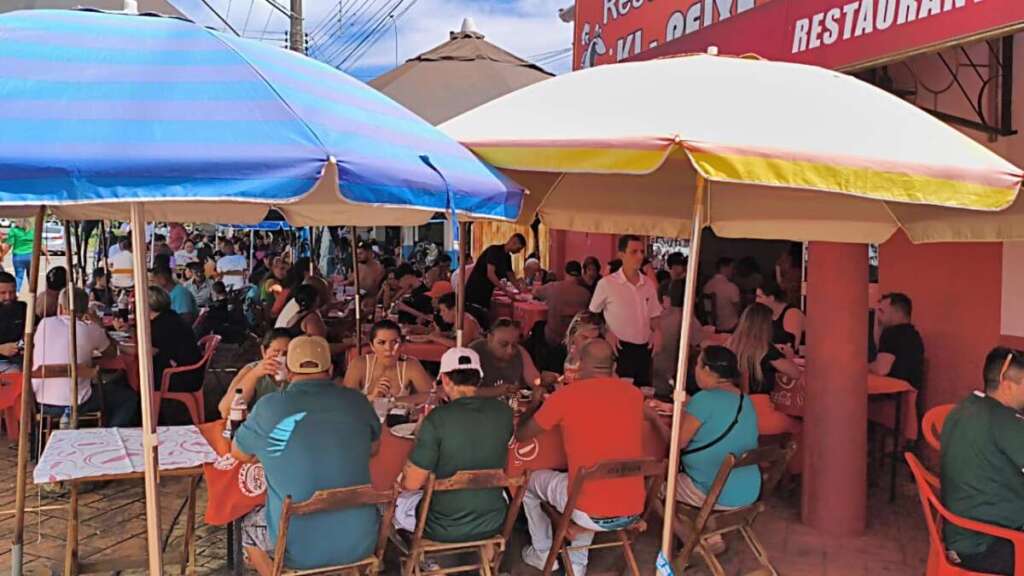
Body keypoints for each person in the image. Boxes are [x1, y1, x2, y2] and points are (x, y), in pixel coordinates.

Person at [232, 336, 382, 575]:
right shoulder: (357, 401)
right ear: (331, 369)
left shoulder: (270, 406)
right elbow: (374, 449)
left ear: (288, 371)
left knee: (247, 525)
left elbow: (239, 453)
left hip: (296, 546)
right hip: (361, 540)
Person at [516, 339, 647, 576]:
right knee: (585, 482)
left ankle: (543, 551)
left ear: (582, 363)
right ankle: (576, 565)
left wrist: (535, 402)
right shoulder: (634, 395)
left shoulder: (568, 396)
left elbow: (523, 434)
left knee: (529, 481)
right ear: (612, 365)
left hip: (588, 509)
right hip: (633, 508)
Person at [645, 346, 761, 553]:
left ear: (707, 369)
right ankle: (712, 536)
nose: (695, 370)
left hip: (715, 491)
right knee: (688, 477)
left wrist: (653, 419)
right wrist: (691, 404)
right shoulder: (746, 399)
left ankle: (691, 542)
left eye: (697, 365)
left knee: (652, 485)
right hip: (749, 490)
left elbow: (675, 445)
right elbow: (716, 413)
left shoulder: (704, 400)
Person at [394, 348, 514, 541]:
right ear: (479, 379)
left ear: (445, 379)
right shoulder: (504, 412)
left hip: (442, 526)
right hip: (493, 521)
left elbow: (412, 483)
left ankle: (426, 561)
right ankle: (488, 555)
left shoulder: (437, 419)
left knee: (396, 504)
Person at [939, 347, 1024, 575]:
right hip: (986, 545)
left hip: (958, 535)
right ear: (1007, 385)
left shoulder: (963, 409)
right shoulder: (1003, 419)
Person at [33, 287, 138, 427]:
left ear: (60, 306)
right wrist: (98, 324)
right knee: (128, 398)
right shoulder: (91, 329)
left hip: (41, 401)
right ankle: (111, 433)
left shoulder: (43, 324)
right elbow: (112, 353)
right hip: (77, 402)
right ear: (86, 308)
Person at [588, 235, 663, 387]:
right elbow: (593, 314)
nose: (640, 256)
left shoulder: (648, 284)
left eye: (642, 252)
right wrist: (606, 332)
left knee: (643, 393)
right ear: (621, 254)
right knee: (619, 393)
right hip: (619, 348)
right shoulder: (607, 284)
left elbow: (654, 314)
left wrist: (658, 332)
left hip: (645, 348)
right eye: (634, 252)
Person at [115, 287, 203, 396]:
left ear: (147, 305)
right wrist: (129, 330)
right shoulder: (168, 316)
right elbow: (149, 339)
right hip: (188, 372)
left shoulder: (162, 325)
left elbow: (148, 351)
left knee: (129, 376)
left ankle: (139, 408)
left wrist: (117, 347)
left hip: (180, 377)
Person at [342, 320, 433, 401]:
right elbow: (347, 401)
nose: (388, 348)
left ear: (401, 345)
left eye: (394, 342)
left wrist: (393, 401)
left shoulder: (410, 364)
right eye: (381, 343)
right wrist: (372, 397)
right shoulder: (359, 364)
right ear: (372, 346)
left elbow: (430, 395)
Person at [728, 303, 801, 395]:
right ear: (765, 326)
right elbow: (795, 373)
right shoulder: (765, 349)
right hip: (758, 402)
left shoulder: (732, 343)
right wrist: (788, 355)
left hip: (735, 400)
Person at [217, 329, 291, 418]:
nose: (281, 357)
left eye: (286, 353)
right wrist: (255, 374)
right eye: (275, 352)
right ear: (264, 351)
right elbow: (225, 410)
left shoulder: (297, 373)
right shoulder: (252, 369)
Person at [652, 279, 705, 396]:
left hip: (653, 377)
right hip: (670, 383)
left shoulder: (658, 316)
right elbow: (702, 345)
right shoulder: (686, 318)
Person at [469, 318, 541, 396]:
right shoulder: (473, 352)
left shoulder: (520, 351)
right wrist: (495, 391)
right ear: (490, 338)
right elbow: (462, 391)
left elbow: (535, 380)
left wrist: (543, 382)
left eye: (514, 345)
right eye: (504, 344)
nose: (509, 350)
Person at [870, 292, 925, 390]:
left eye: (882, 311)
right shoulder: (915, 336)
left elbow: (881, 369)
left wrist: (864, 367)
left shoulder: (891, 333)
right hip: (907, 399)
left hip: (890, 400)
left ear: (897, 313)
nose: (878, 317)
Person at [533, 261, 591, 349]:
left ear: (565, 272)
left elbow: (535, 293)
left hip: (553, 336)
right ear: (580, 274)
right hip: (575, 337)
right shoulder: (586, 294)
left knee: (537, 327)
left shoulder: (553, 287)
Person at [465, 233, 526, 310]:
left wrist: (520, 290)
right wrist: (506, 291)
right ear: (513, 242)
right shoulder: (494, 251)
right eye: (519, 249)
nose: (519, 252)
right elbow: (490, 274)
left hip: (487, 291)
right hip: (476, 290)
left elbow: (510, 275)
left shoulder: (507, 257)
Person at [755, 280, 804, 349]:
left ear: (771, 298)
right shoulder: (768, 315)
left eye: (759, 297)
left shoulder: (792, 313)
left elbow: (791, 346)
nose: (756, 301)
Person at [703, 257, 741, 333]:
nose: (734, 271)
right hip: (730, 327)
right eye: (732, 268)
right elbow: (739, 309)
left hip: (711, 327)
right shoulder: (731, 287)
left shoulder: (707, 286)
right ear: (724, 268)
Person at [0, 271, 27, 362]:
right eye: (3, 293)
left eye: (12, 292)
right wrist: (1, 349)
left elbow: (34, 329)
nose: (8, 297)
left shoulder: (22, 307)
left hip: (19, 360)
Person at [3, 220, 34, 292]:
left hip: (18, 256)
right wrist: (47, 254)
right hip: (31, 256)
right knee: (31, 276)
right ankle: (33, 293)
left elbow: (9, 244)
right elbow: (40, 243)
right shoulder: (32, 231)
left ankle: (16, 292)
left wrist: (3, 254)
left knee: (19, 276)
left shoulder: (14, 230)